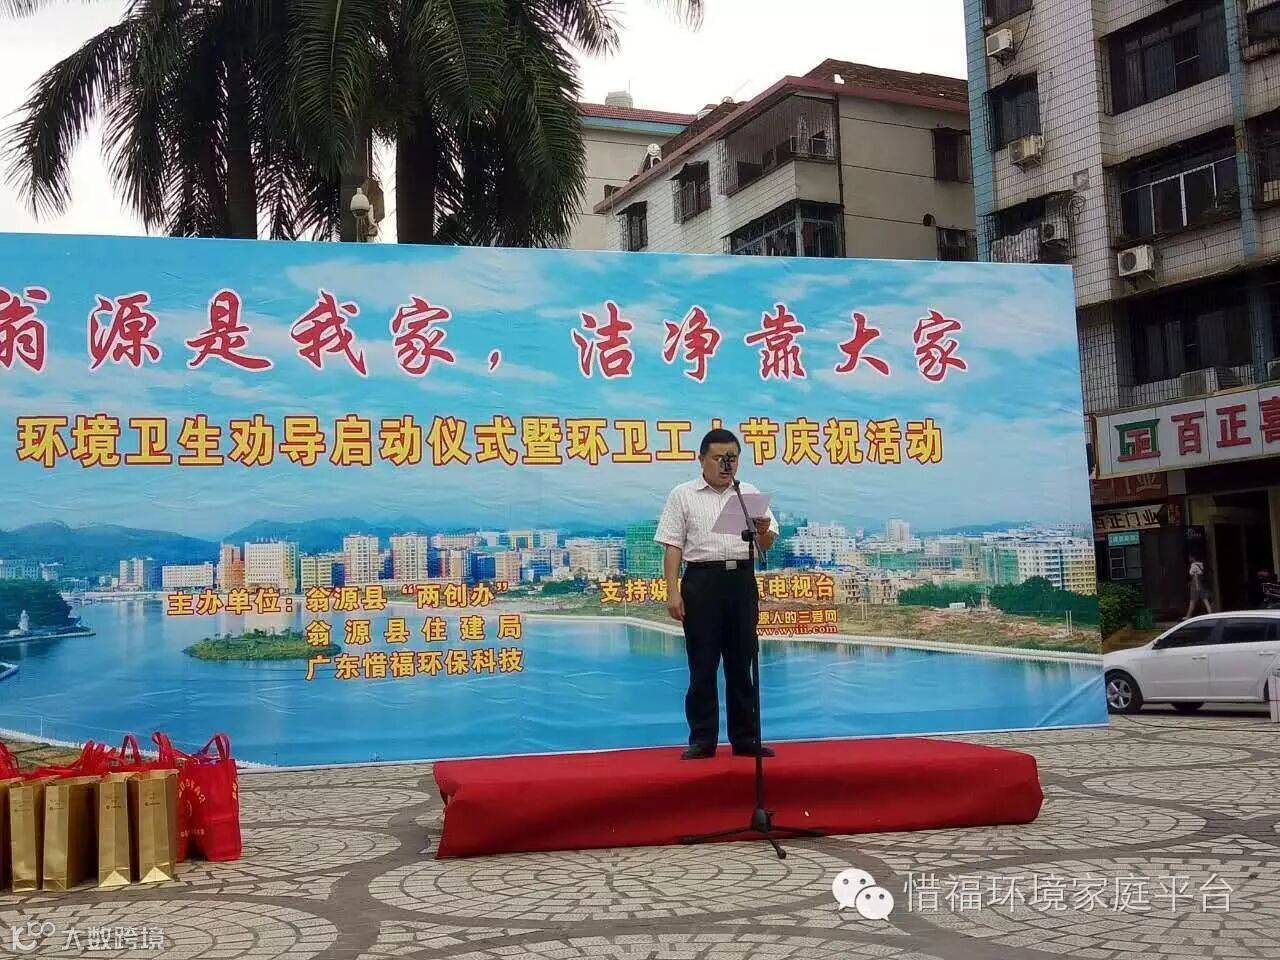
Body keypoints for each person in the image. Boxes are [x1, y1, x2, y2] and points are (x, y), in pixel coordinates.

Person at [654, 427, 779, 760]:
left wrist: (763, 531)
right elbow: (672, 546)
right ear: (702, 460)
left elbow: (766, 544)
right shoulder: (683, 494)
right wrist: (672, 591)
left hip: (741, 580)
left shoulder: (748, 493)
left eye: (732, 458)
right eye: (719, 458)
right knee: (702, 664)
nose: (727, 464)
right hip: (701, 581)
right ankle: (703, 739)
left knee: (742, 663)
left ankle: (745, 739)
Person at [1184, 554, 1213, 619]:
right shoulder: (1200, 564)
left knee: (1192, 601)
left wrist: (1197, 586)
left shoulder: (1193, 565)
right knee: (1205, 600)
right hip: (1200, 584)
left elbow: (1195, 575)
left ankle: (1188, 615)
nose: (1189, 558)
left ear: (1193, 558)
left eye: (1190, 557)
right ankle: (1210, 613)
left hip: (1195, 585)